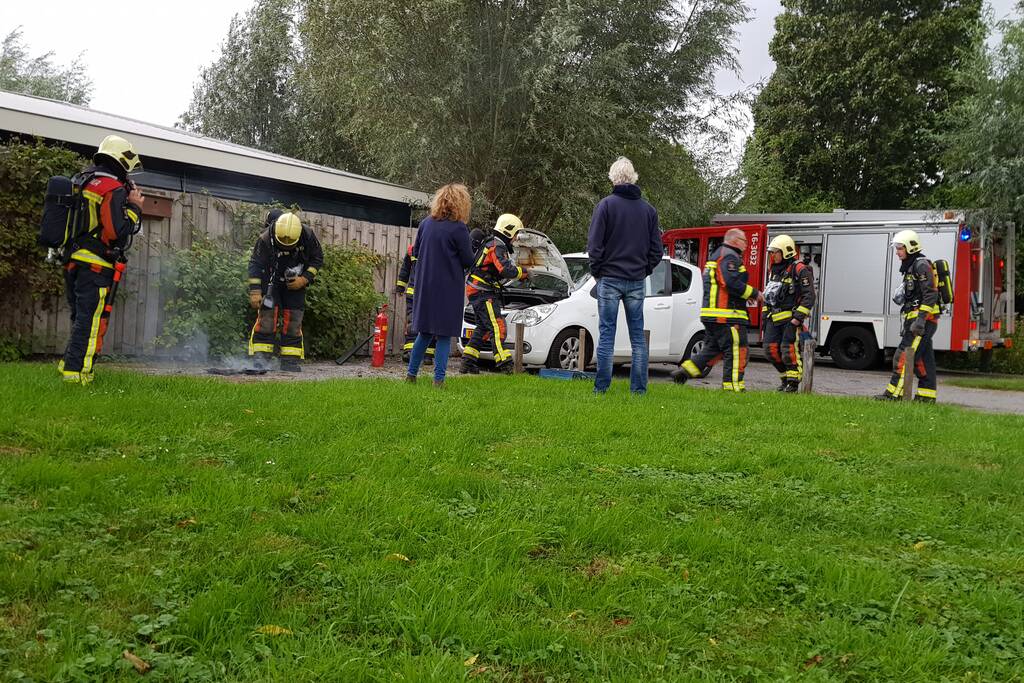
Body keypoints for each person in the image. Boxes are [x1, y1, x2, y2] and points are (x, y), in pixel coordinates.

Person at [58, 135, 144, 384]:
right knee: (91, 318)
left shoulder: (82, 181)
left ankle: (67, 364)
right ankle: (77, 374)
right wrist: (135, 207)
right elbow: (116, 231)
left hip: (73, 259)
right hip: (96, 263)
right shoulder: (112, 189)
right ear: (122, 161)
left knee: (80, 316)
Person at [587, 157, 662, 395]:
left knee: (607, 333)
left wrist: (598, 271)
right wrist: (644, 269)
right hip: (637, 279)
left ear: (613, 177)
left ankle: (601, 388)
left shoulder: (606, 206)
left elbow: (595, 244)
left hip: (609, 276)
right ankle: (638, 390)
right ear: (634, 177)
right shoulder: (649, 211)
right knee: (638, 336)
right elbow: (656, 250)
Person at [671, 228, 762, 392]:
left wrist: (744, 295)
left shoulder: (719, 254)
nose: (747, 245)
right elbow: (730, 282)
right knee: (736, 351)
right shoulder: (729, 256)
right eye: (744, 241)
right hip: (727, 316)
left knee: (711, 351)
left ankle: (684, 372)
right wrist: (755, 294)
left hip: (713, 315)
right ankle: (733, 389)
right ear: (735, 241)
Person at [406, 184, 475, 386]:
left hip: (425, 286)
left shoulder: (425, 224)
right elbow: (468, 260)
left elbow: (415, 252)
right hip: (448, 288)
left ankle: (411, 375)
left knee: (425, 332)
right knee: (444, 334)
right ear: (460, 204)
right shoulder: (459, 228)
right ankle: (439, 380)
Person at [247, 211, 324, 372]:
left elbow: (317, 259)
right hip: (270, 285)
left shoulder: (307, 235)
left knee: (294, 321)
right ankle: (261, 360)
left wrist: (304, 279)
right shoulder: (266, 238)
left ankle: (290, 361)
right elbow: (255, 264)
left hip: (295, 285)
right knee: (266, 319)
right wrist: (255, 292)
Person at [876, 229, 940, 402]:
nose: (897, 252)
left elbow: (931, 294)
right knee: (922, 360)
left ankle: (893, 395)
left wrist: (920, 321)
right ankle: (926, 397)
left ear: (911, 247)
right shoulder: (911, 266)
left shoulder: (921, 264)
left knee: (903, 355)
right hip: (916, 318)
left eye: (900, 248)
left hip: (923, 320)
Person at [461, 214, 528, 374]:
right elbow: (505, 269)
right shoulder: (497, 246)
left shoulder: (492, 243)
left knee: (484, 328)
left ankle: (468, 362)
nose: (517, 238)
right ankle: (505, 364)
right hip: (483, 291)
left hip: (477, 289)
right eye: (516, 233)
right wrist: (523, 272)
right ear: (509, 231)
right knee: (497, 326)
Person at [761, 234, 815, 392]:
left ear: (786, 252)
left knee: (788, 350)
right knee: (770, 350)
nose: (772, 255)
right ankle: (785, 379)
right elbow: (768, 294)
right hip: (773, 318)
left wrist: (797, 319)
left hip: (790, 319)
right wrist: (765, 314)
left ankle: (793, 382)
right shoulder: (774, 271)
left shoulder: (799, 269)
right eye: (771, 252)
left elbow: (809, 296)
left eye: (775, 252)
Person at [395, 244, 434, 363]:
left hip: (429, 294)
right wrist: (400, 286)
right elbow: (405, 268)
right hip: (415, 294)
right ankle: (409, 352)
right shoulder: (412, 250)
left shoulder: (435, 249)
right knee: (413, 321)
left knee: (430, 323)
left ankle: (427, 354)